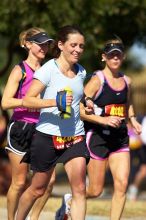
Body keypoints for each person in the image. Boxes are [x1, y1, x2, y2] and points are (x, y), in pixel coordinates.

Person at [57, 36, 142, 220]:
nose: (115, 59)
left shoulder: (127, 81)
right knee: (95, 190)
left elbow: (127, 103)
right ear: (104, 57)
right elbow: (78, 109)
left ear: (123, 57)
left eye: (118, 55)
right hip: (98, 138)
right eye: (111, 56)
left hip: (119, 138)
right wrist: (103, 120)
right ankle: (70, 201)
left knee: (122, 184)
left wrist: (133, 119)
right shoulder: (98, 80)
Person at [15, 25, 90, 220]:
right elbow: (28, 100)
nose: (78, 50)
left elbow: (77, 96)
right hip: (47, 136)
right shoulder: (49, 69)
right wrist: (54, 102)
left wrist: (86, 102)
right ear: (61, 45)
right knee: (37, 189)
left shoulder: (81, 71)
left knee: (80, 188)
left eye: (81, 46)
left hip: (74, 134)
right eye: (73, 45)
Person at [1, 27, 55, 220]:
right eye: (40, 43)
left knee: (49, 183)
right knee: (19, 182)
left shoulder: (50, 70)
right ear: (29, 45)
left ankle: (33, 218)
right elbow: (5, 102)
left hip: (43, 128)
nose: (44, 47)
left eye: (47, 43)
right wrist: (28, 101)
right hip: (21, 128)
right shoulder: (20, 70)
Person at [127, 116, 146, 200]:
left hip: (140, 146)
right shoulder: (142, 118)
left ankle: (133, 189)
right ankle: (133, 190)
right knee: (143, 170)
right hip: (142, 147)